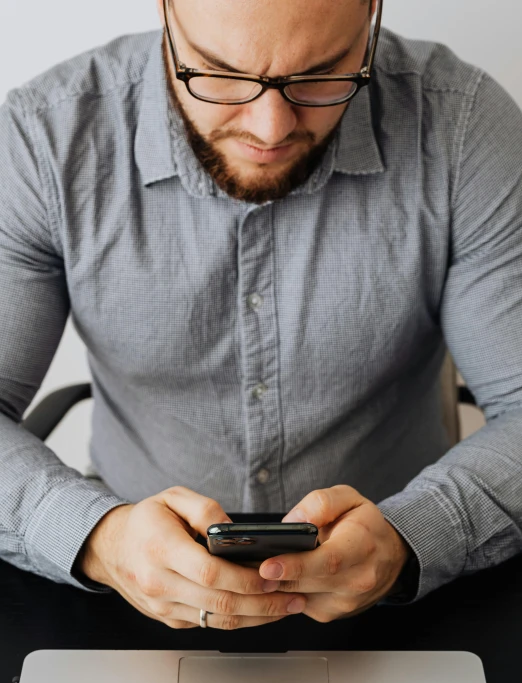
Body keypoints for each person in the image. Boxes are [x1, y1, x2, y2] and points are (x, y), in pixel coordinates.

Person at [0, 0, 521, 632]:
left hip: (415, 583)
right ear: (166, 14)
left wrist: (414, 535)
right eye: (219, 75)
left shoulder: (465, 127)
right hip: (121, 588)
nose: (271, 128)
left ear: (371, 18)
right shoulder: (42, 142)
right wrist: (97, 539)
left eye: (321, 75)